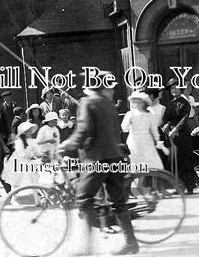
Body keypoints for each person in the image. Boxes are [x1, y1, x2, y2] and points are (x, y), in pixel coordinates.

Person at [59, 71, 139, 255]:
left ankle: (87, 249)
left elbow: (84, 131)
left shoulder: (88, 102)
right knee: (117, 201)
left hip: (96, 159)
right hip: (114, 157)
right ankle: (131, 243)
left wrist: (66, 145)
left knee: (84, 199)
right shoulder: (108, 104)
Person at [163, 78, 196, 194]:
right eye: (172, 88)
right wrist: (166, 125)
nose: (174, 90)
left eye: (176, 87)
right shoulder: (171, 103)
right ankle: (179, 186)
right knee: (175, 161)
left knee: (184, 160)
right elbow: (167, 117)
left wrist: (175, 129)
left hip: (182, 135)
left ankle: (190, 186)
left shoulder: (185, 102)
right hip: (172, 135)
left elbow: (184, 119)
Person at [1, 122, 40, 206]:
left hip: (29, 162)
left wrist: (38, 154)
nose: (30, 132)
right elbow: (20, 153)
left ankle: (37, 199)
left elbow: (36, 150)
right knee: (16, 181)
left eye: (31, 130)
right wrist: (29, 156)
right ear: (24, 132)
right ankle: (13, 198)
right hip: (19, 162)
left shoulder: (32, 141)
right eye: (28, 131)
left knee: (34, 179)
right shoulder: (19, 142)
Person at [122, 91, 163, 169]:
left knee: (149, 162)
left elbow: (154, 130)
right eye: (136, 101)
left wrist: (157, 140)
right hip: (134, 140)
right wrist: (130, 124)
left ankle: (145, 179)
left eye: (140, 102)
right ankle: (135, 179)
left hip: (146, 141)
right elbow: (124, 128)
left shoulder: (150, 114)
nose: (137, 104)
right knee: (135, 161)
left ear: (144, 103)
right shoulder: (130, 114)